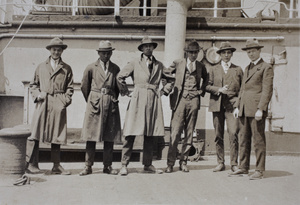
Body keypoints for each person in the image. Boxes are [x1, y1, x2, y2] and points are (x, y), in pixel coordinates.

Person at [117, 36, 172, 176]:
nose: (148, 48)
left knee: (150, 133)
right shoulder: (135, 63)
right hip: (138, 99)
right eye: (145, 46)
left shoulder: (159, 65)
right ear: (141, 48)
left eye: (150, 46)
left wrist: (164, 91)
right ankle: (124, 164)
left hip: (153, 100)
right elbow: (120, 77)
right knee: (130, 132)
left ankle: (147, 164)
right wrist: (126, 92)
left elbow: (170, 78)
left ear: (153, 48)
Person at [25, 37, 73, 175]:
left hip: (58, 101)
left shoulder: (66, 68)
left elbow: (70, 88)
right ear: (49, 50)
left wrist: (64, 101)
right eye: (54, 49)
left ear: (62, 51)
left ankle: (56, 165)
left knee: (57, 134)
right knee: (35, 132)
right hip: (43, 101)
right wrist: (37, 94)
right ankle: (32, 164)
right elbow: (33, 85)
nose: (56, 52)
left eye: (59, 50)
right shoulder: (41, 66)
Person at [232, 38, 274, 180]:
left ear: (259, 51)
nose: (250, 54)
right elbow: (242, 89)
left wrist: (261, 109)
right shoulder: (247, 68)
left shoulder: (266, 67)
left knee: (258, 140)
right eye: (248, 52)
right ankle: (243, 167)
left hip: (256, 110)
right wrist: (237, 106)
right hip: (244, 109)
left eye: (253, 51)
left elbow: (267, 90)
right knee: (243, 139)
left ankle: (259, 170)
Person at [165, 40, 208, 173]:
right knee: (175, 132)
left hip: (194, 100)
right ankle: (170, 163)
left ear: (198, 53)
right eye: (191, 52)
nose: (193, 55)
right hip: (180, 100)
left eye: (195, 52)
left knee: (189, 132)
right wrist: (169, 86)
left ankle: (183, 162)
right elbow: (166, 73)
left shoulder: (201, 66)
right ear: (186, 53)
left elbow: (207, 79)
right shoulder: (178, 63)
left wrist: (201, 90)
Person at [79, 40, 122, 176]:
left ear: (111, 53)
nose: (106, 55)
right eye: (103, 53)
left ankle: (107, 166)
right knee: (91, 136)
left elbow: (117, 88)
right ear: (98, 53)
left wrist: (111, 98)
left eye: (108, 53)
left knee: (109, 136)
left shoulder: (115, 68)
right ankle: (88, 166)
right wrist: (92, 100)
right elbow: (84, 87)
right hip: (95, 103)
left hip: (110, 104)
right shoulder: (91, 67)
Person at [206, 41, 243, 173]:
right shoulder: (213, 69)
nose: (226, 55)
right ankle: (220, 163)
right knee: (218, 135)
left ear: (232, 54)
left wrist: (238, 106)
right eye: (224, 53)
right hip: (217, 106)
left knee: (233, 134)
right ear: (220, 54)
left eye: (229, 52)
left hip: (232, 107)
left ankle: (234, 163)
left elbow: (242, 91)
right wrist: (219, 89)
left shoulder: (237, 69)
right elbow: (206, 86)